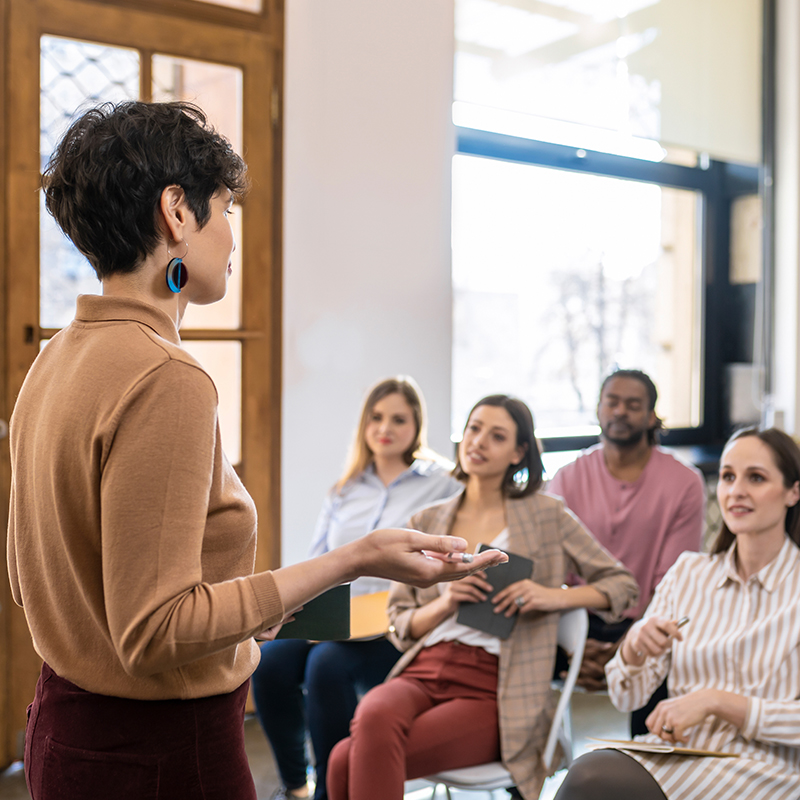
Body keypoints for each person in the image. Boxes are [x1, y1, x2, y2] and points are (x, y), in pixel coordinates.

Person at [4, 101, 507, 800]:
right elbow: (153, 632)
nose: (234, 235)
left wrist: (255, 609)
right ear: (177, 212)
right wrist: (354, 558)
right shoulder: (167, 378)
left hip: (62, 730)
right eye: (226, 208)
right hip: (161, 754)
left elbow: (34, 581)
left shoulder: (55, 358)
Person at [327, 395, 638, 800]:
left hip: (496, 687)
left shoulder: (548, 516)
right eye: (474, 429)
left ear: (519, 452)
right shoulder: (428, 520)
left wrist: (551, 596)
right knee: (372, 714)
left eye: (497, 436)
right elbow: (401, 622)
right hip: (423, 668)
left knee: (340, 762)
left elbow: (622, 586)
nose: (479, 442)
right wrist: (446, 601)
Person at [553, 426, 800, 800]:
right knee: (587, 774)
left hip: (767, 766)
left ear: (793, 491)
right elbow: (626, 697)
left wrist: (717, 701)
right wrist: (634, 649)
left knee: (592, 781)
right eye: (729, 476)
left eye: (756, 478)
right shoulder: (689, 574)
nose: (736, 490)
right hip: (679, 753)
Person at [251, 375, 462, 800]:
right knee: (269, 660)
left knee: (325, 665)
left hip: (393, 623)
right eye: (377, 417)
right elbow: (318, 561)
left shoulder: (443, 485)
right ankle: (296, 787)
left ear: (416, 425)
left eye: (399, 419)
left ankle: (333, 791)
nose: (385, 428)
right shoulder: (344, 490)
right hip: (337, 616)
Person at [546, 368, 705, 734]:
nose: (620, 412)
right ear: (599, 410)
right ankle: (525, 776)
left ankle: (650, 765)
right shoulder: (567, 477)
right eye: (612, 402)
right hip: (574, 617)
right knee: (515, 648)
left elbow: (673, 581)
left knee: (664, 660)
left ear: (651, 416)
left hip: (648, 620)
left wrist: (629, 643)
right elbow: (553, 573)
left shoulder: (685, 482)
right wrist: (574, 645)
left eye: (633, 405)